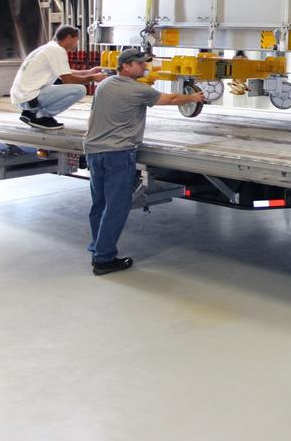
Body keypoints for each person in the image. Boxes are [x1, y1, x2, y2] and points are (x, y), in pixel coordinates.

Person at [82, 48, 204, 276]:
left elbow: (93, 113)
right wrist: (193, 97)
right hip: (117, 153)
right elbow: (173, 99)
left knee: (99, 204)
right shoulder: (138, 90)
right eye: (139, 64)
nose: (144, 67)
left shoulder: (104, 85)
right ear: (126, 66)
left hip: (94, 150)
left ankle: (97, 246)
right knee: (116, 207)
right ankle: (104, 259)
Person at [9, 25, 109, 130]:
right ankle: (41, 117)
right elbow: (68, 79)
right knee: (80, 90)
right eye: (76, 40)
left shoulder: (49, 48)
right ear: (69, 37)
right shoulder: (57, 51)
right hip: (29, 98)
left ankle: (30, 112)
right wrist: (93, 78)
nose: (77, 44)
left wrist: (88, 72)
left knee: (65, 87)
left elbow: (65, 72)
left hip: (23, 97)